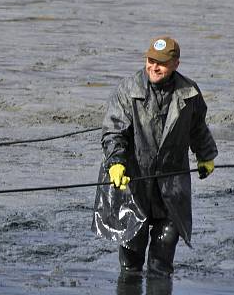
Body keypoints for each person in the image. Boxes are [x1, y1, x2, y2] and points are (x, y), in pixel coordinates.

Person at [92, 36, 217, 277]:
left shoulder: (189, 92)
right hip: (133, 182)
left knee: (165, 248)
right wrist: (116, 164)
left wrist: (206, 155)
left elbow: (198, 127)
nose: (154, 67)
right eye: (150, 60)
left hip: (171, 182)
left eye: (160, 63)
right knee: (132, 255)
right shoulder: (127, 90)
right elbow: (113, 132)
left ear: (175, 65)